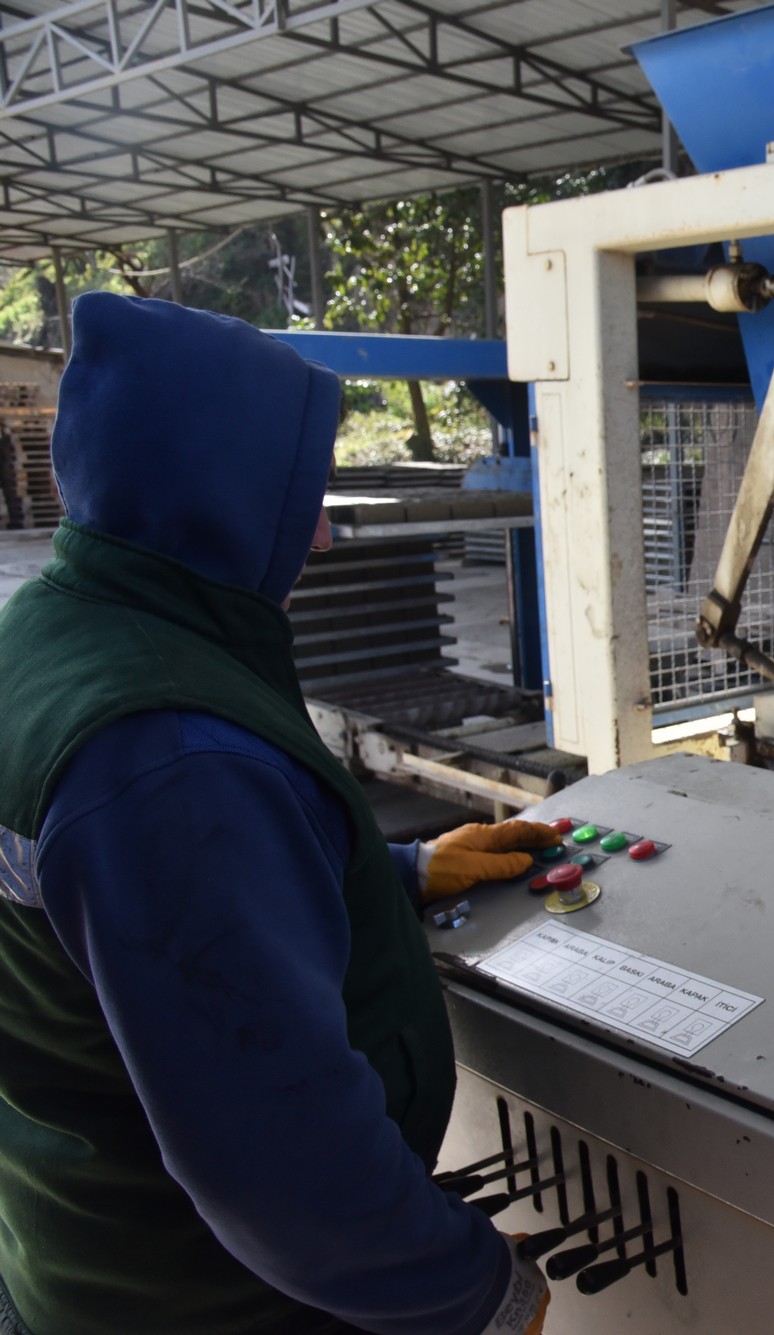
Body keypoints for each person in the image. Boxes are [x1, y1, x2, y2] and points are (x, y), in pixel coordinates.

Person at [0, 292, 560, 1334]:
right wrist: (472, 1291)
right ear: (209, 489)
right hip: (214, 1302)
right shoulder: (165, 755)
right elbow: (277, 1161)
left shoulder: (48, 640)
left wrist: (391, 875)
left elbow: (128, 931)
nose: (322, 535)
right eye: (292, 493)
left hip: (78, 1244)